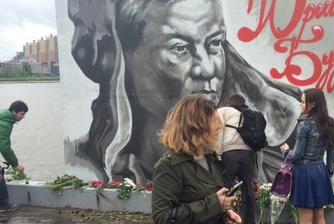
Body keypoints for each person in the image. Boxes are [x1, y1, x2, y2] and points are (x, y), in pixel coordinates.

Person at [68, 0, 301, 184]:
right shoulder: (85, 165)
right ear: (125, 56)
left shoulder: (268, 169)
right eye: (179, 47)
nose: (208, 69)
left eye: (215, 43)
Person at [152, 95, 242, 224]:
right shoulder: (169, 166)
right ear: (196, 125)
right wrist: (214, 204)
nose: (220, 125)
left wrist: (225, 211)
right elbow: (162, 216)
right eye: (214, 120)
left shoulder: (210, 158)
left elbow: (207, 196)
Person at [280, 88, 334, 224]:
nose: (301, 104)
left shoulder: (305, 124)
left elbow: (296, 156)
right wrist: (328, 173)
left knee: (305, 219)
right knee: (319, 217)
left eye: (303, 101)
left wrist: (286, 151)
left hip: (304, 173)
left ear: (312, 104)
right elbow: (331, 155)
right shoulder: (331, 124)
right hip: (320, 171)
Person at [217, 93, 259, 224]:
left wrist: (218, 156)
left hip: (228, 155)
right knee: (248, 197)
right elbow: (258, 149)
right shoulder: (252, 116)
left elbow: (218, 133)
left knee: (222, 194)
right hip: (248, 156)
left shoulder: (223, 111)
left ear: (229, 104)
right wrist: (255, 179)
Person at [0, 100, 28, 212]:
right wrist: (15, 164)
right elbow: (4, 147)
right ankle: (4, 205)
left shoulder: (3, 115)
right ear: (14, 112)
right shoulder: (5, 124)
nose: (23, 117)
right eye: (22, 114)